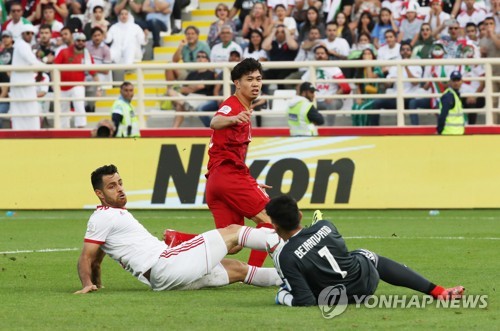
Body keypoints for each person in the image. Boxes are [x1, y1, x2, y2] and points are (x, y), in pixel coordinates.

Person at [75, 164, 282, 294]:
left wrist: (96, 284)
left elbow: (96, 261)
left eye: (120, 183)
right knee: (233, 231)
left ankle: (298, 276)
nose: (120, 189)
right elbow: (86, 257)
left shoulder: (109, 218)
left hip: (165, 279)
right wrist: (86, 283)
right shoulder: (103, 217)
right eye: (112, 186)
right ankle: (290, 241)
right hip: (167, 264)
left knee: (238, 269)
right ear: (99, 194)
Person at [265, 195, 465, 306]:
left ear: (274, 226)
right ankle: (438, 291)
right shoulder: (326, 225)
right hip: (366, 283)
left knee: (288, 288)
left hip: (336, 298)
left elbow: (305, 301)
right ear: (300, 215)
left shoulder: (286, 256)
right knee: (364, 254)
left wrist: (282, 296)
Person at [201, 58, 274, 267]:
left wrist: (250, 181)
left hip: (218, 180)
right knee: (271, 219)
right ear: (237, 83)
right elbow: (215, 122)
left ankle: (177, 241)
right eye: (249, 79)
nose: (255, 84)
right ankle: (253, 272)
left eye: (258, 79)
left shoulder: (244, 110)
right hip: (228, 175)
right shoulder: (232, 106)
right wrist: (233, 119)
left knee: (232, 243)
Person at [53, 32, 99, 128]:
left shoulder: (87, 55)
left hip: (78, 85)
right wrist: (54, 84)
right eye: (78, 40)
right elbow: (54, 69)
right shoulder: (63, 52)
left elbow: (93, 72)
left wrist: (98, 88)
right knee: (63, 109)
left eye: (83, 41)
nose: (81, 43)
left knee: (79, 105)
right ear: (74, 41)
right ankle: (64, 130)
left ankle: (81, 127)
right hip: (62, 86)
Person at [166, 50, 215, 128]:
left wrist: (190, 88)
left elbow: (199, 87)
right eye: (198, 56)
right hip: (189, 97)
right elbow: (183, 89)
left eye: (203, 56)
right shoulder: (192, 74)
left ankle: (174, 128)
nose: (200, 58)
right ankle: (174, 130)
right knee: (170, 90)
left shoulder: (211, 74)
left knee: (179, 106)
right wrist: (191, 87)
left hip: (202, 98)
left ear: (207, 60)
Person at [10, 24, 44, 130]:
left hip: (25, 82)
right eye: (27, 33)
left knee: (27, 108)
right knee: (25, 108)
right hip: (22, 82)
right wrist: (48, 67)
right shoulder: (22, 45)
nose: (30, 36)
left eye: (31, 33)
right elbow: (32, 61)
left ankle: (27, 130)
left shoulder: (22, 45)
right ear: (22, 34)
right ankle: (26, 131)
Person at [437, 71, 464, 135]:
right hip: (449, 134)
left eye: (458, 80)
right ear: (450, 82)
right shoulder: (448, 96)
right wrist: (440, 131)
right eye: (454, 80)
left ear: (461, 81)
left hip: (457, 133)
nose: (456, 83)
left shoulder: (455, 95)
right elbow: (442, 116)